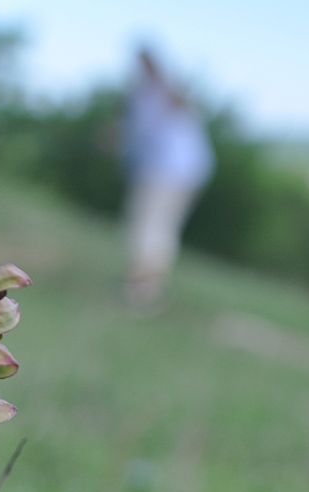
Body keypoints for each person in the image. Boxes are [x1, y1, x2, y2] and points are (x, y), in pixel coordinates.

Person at [123, 48, 214, 308]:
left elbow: (178, 102)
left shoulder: (165, 92)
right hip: (177, 171)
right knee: (157, 228)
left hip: (171, 172)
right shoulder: (145, 96)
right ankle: (146, 287)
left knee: (150, 227)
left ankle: (144, 289)